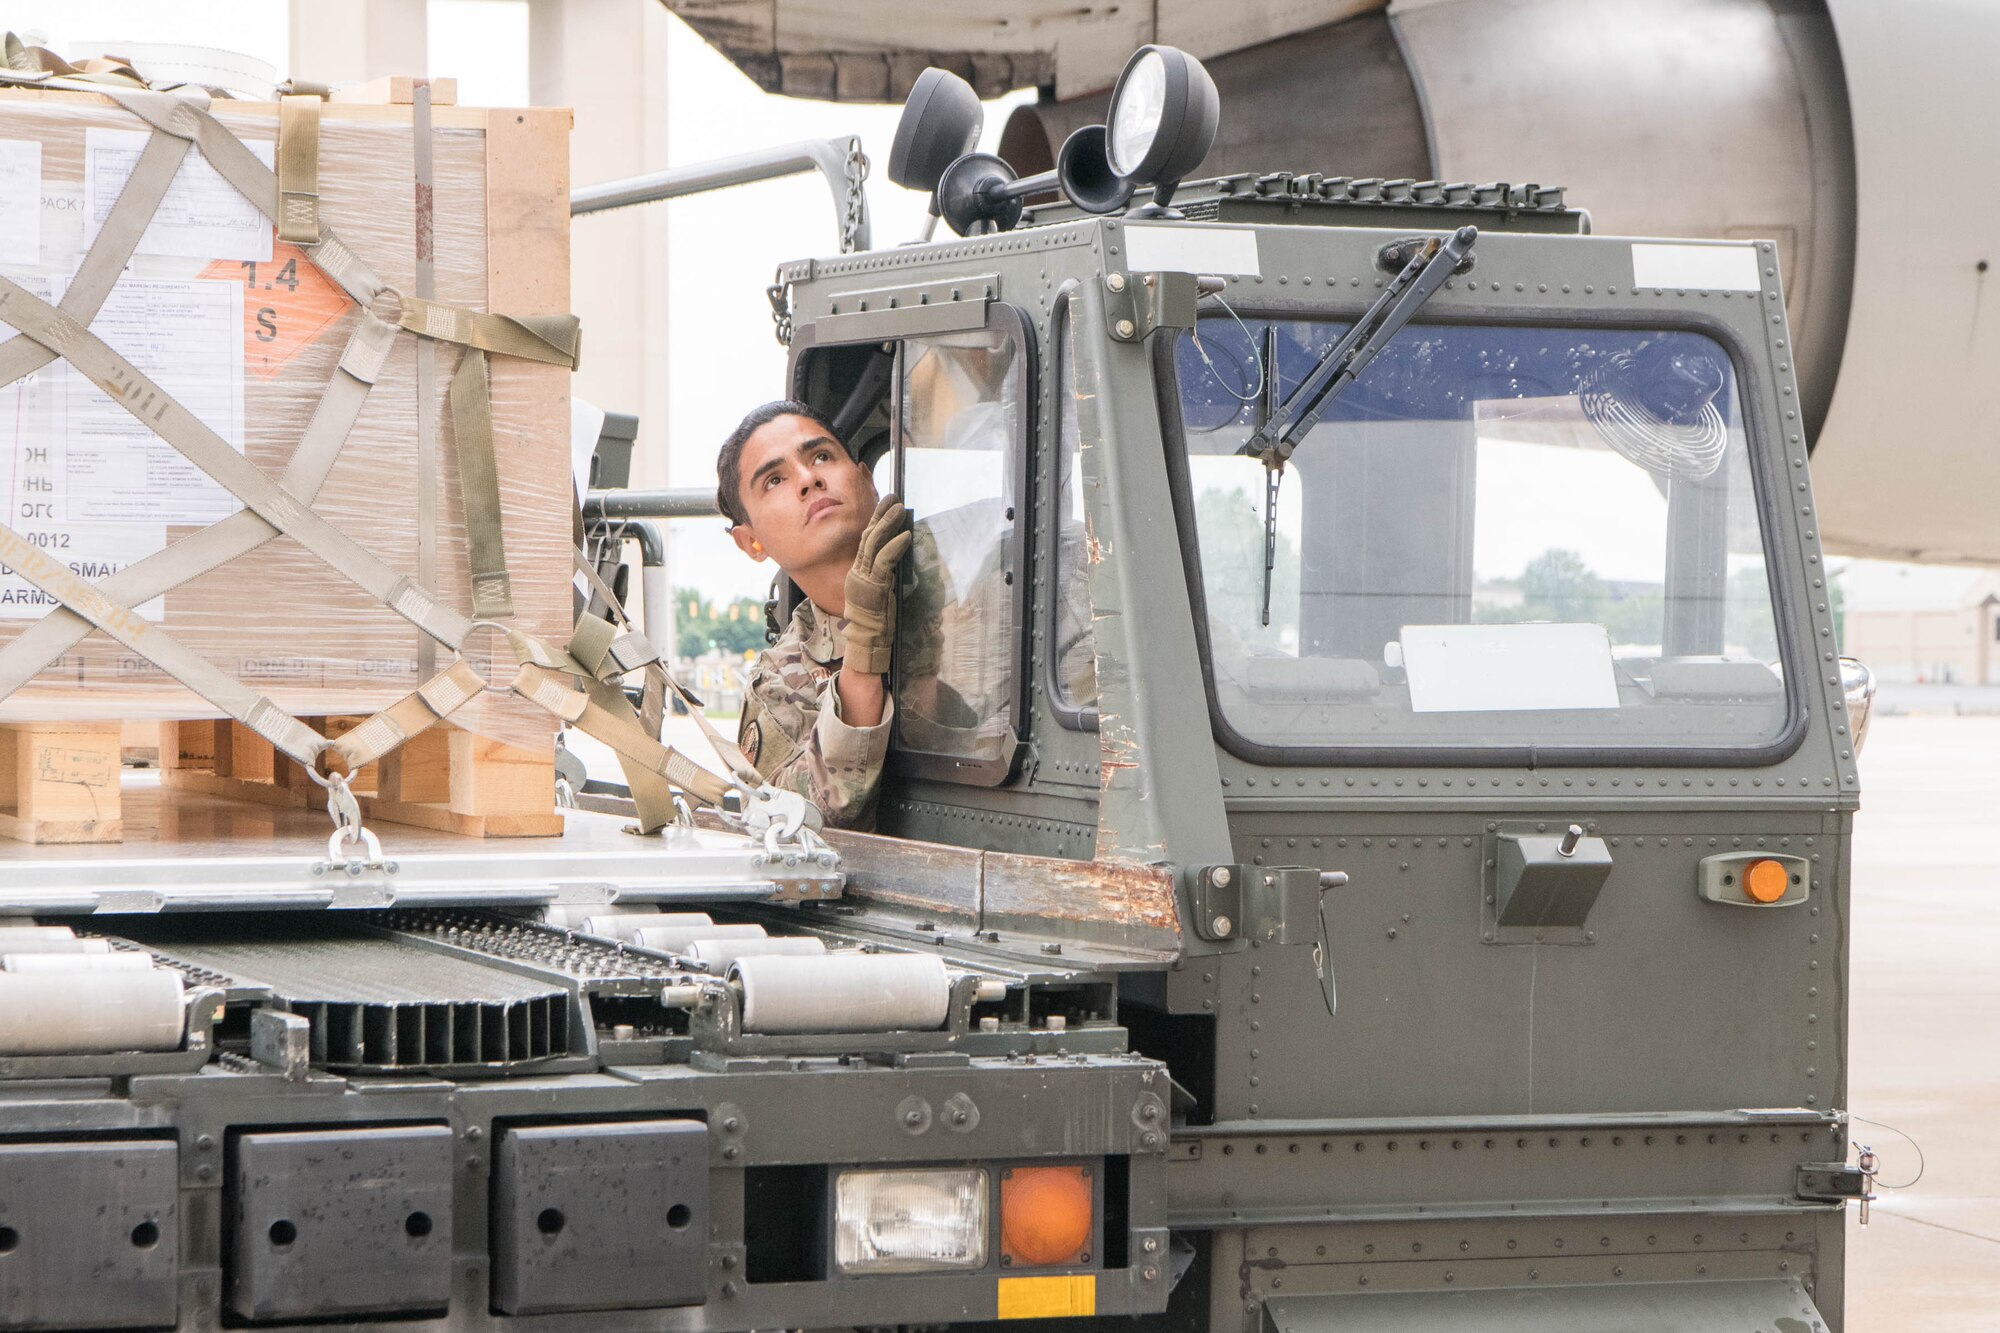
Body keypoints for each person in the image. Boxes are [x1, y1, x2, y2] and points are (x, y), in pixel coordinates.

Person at [716, 400, 910, 830]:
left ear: (866, 480)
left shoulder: (971, 579)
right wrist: (865, 648)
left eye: (821, 456)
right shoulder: (778, 681)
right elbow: (796, 822)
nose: (808, 479)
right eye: (774, 480)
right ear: (751, 543)